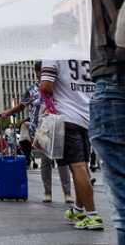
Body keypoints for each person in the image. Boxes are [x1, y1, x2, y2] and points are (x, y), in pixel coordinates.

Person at [58, 0, 125, 243]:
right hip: (89, 108)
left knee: (121, 200)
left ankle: (87, 212)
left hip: (113, 78)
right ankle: (84, 210)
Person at [41, 59, 103, 230]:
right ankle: (78, 209)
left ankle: (92, 215)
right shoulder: (85, 53)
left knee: (77, 167)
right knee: (82, 167)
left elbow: (46, 86)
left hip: (67, 117)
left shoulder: (54, 54)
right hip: (87, 115)